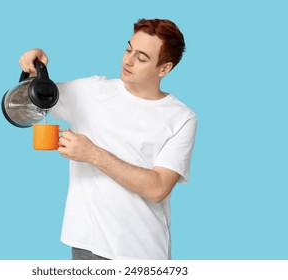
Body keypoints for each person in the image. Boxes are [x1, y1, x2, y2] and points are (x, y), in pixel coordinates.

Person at [19, 18, 197, 260]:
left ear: (164, 69)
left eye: (142, 58)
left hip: (143, 254)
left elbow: (157, 188)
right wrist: (33, 72)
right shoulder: (92, 91)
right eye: (128, 49)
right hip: (88, 247)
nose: (128, 60)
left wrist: (92, 154)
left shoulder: (181, 117)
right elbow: (29, 102)